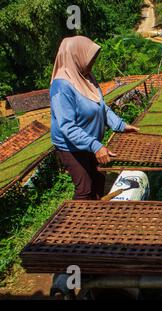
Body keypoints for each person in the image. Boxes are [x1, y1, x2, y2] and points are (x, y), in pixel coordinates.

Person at [50, 36, 139, 200]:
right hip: (70, 146)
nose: (92, 63)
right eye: (89, 58)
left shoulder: (86, 77)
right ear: (76, 56)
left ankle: (98, 214)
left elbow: (100, 106)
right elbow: (67, 126)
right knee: (84, 187)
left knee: (98, 179)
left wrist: (120, 125)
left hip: (89, 141)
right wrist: (95, 146)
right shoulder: (61, 87)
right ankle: (76, 223)